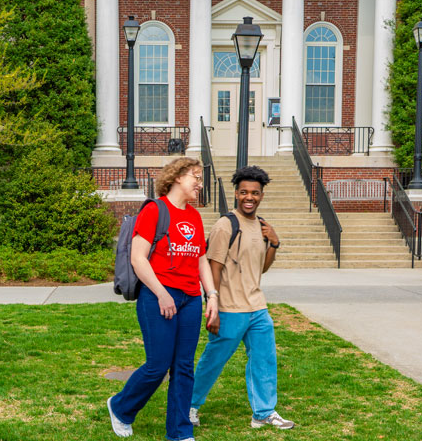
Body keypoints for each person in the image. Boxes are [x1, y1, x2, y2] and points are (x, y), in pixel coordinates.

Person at [107, 157, 219, 441]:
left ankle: (181, 432)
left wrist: (212, 295)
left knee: (183, 367)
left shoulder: (194, 216)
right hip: (157, 297)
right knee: (158, 365)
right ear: (178, 176)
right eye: (196, 176)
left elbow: (201, 260)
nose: (200, 183)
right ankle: (120, 407)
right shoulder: (155, 210)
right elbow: (137, 258)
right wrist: (161, 293)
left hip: (191, 299)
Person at [189, 166, 295, 430]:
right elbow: (212, 267)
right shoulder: (226, 225)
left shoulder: (261, 226)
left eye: (255, 193)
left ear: (261, 195)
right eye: (245, 192)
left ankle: (263, 412)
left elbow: (262, 268)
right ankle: (189, 405)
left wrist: (274, 243)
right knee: (214, 360)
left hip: (257, 307)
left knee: (264, 358)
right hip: (229, 308)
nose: (250, 197)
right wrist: (212, 305)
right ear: (236, 193)